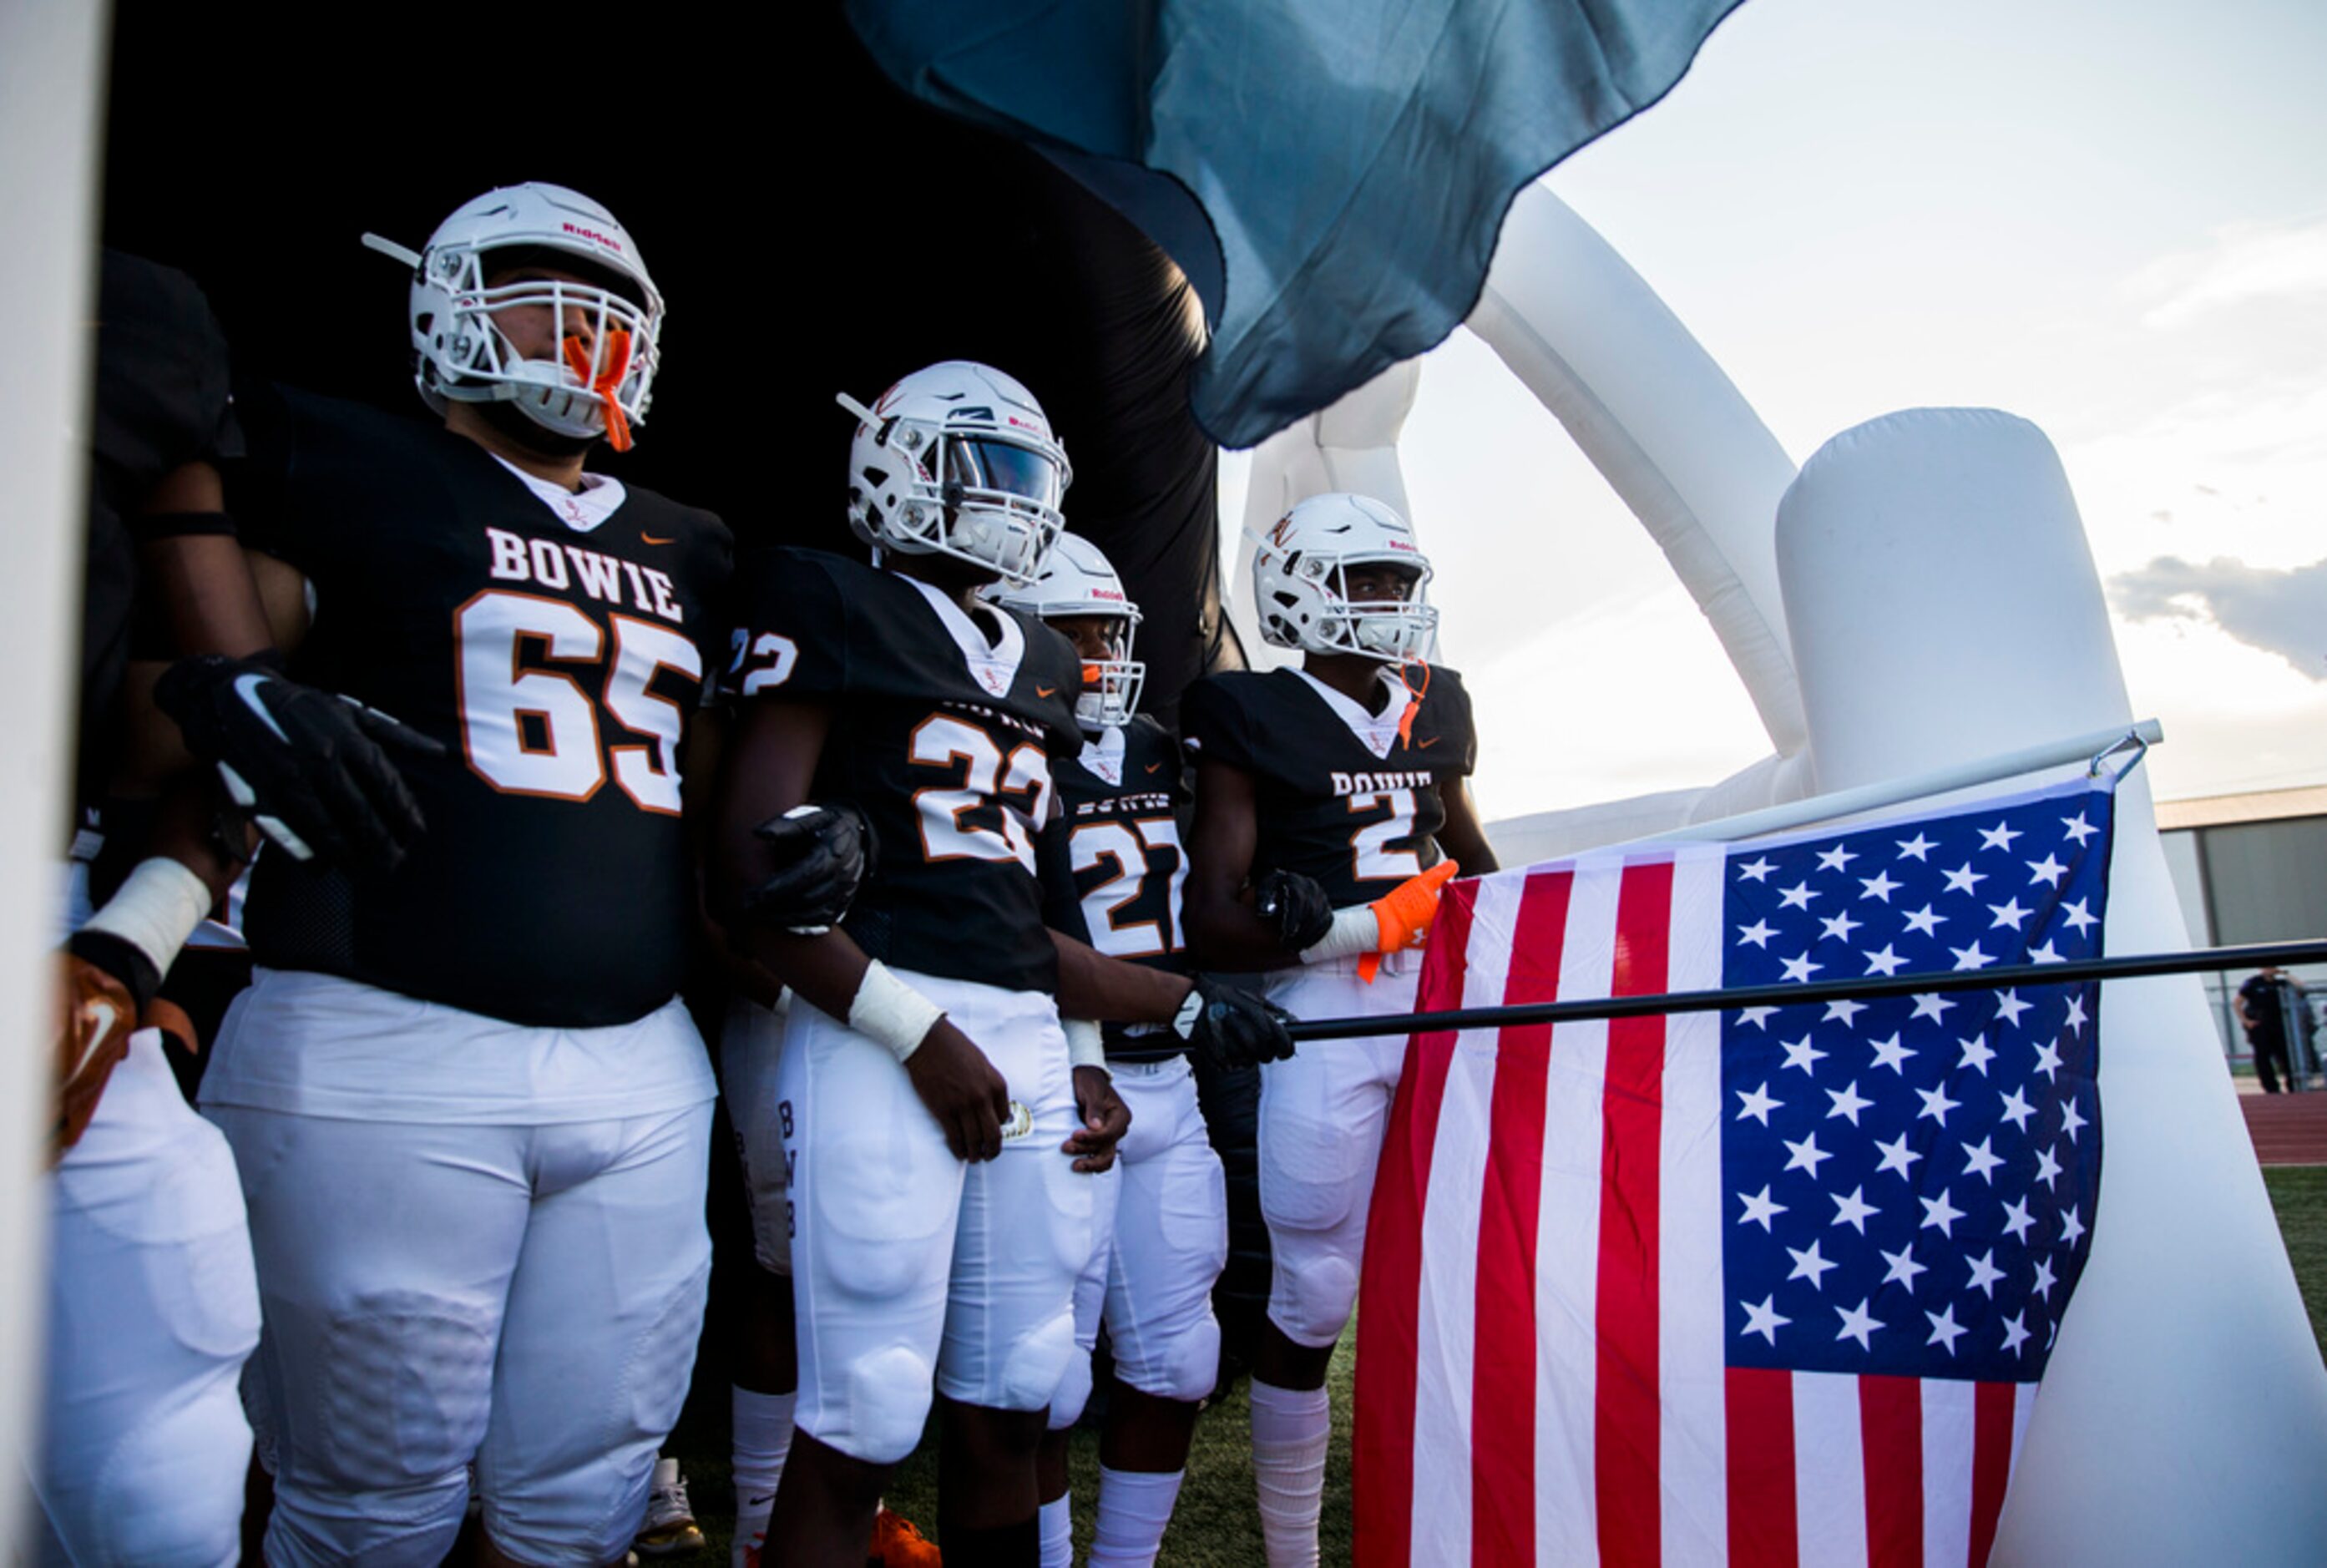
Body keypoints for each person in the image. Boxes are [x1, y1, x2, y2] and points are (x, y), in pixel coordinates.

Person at [192, 180, 822, 1567]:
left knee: (584, 1499)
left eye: (609, 310)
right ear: (446, 301)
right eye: (541, 292)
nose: (581, 334)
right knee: (368, 1506)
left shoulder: (693, 538)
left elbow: (702, 813)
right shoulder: (348, 459)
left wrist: (825, 842)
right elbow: (186, 646)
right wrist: (213, 684)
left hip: (643, 1065)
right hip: (382, 1033)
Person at [714, 361, 1291, 1567]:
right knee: (863, 1408)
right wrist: (917, 1035)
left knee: (1018, 1390)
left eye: (1025, 477)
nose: (1004, 501)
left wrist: (1103, 1041)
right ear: (889, 468)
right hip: (877, 1022)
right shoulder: (822, 593)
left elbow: (1026, 915)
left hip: (1023, 1035)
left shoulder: (1038, 659)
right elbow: (754, 880)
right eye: (978, 470)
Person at [1181, 492, 1498, 1566]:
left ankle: (1470, 1507)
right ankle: (1292, 1550)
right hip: (1327, 1010)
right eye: (1365, 581)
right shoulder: (1248, 712)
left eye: (1400, 583)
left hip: (1443, 1004)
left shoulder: (1437, 703)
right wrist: (1345, 927)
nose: (1388, 605)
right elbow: (1215, 923)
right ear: (1296, 589)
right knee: (1313, 1294)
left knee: (1473, 1269)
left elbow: (1476, 863)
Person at [996, 534, 1255, 1566]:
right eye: (1075, 633)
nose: (1099, 656)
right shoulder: (1002, 748)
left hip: (1171, 1087)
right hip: (1060, 1084)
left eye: (1110, 632)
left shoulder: (1156, 746)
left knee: (1183, 1360)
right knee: (1043, 1378)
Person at [2238, 965, 2301, 1094]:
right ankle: (2271, 1088)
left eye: (2271, 967)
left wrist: (2285, 973)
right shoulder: (2253, 983)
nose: (2268, 969)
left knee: (2285, 1056)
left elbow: (2300, 987)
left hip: (2280, 1025)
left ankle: (2292, 1085)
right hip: (2260, 1025)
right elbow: (2237, 1002)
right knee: (2263, 1058)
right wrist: (2246, 1021)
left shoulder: (2282, 983)